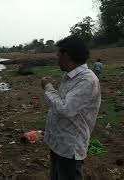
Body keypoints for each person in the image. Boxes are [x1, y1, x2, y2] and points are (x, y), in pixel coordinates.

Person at [41, 36, 101, 180]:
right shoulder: (70, 77)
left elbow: (65, 109)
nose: (56, 58)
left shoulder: (87, 80)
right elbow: (63, 103)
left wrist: (48, 88)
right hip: (59, 145)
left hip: (70, 149)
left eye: (58, 54)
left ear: (66, 55)